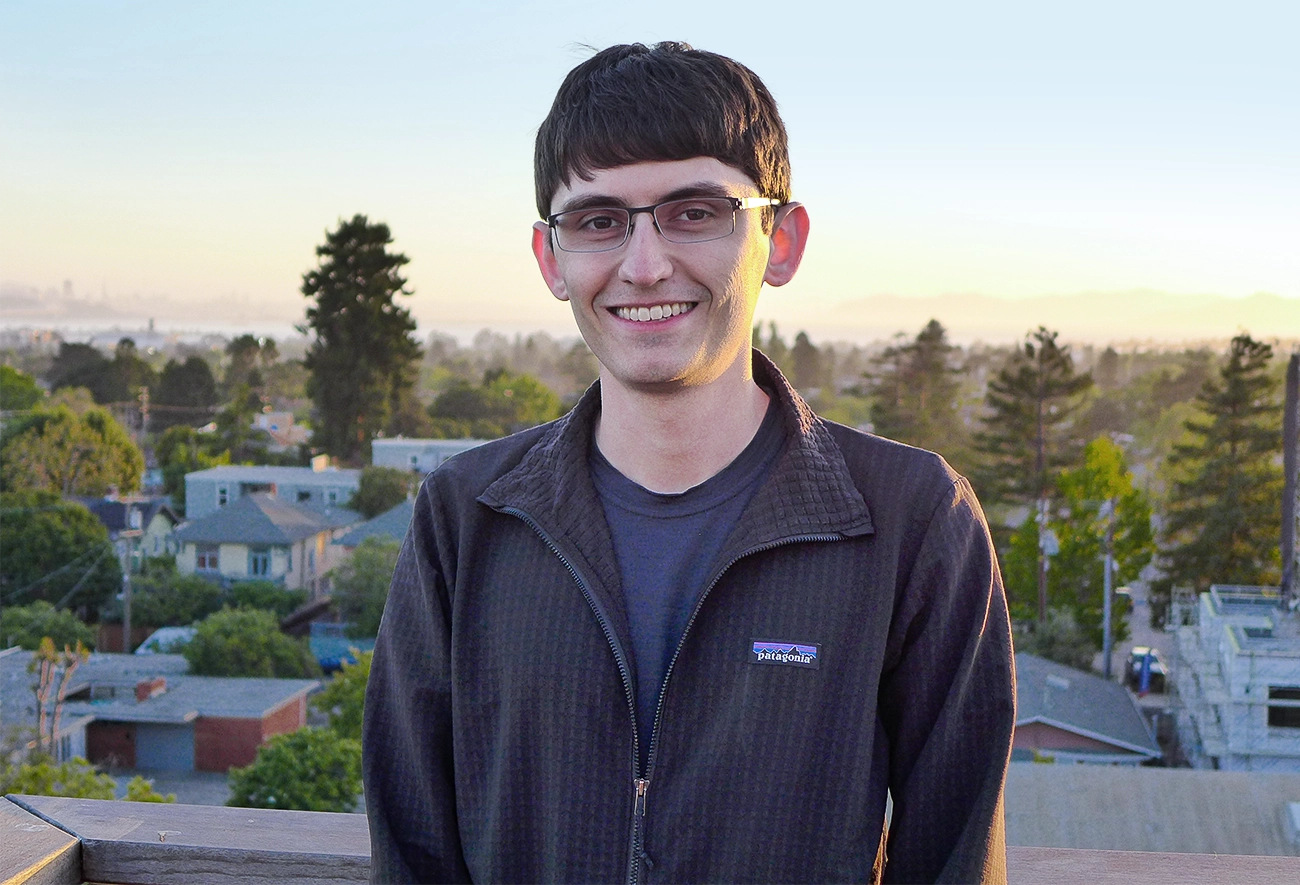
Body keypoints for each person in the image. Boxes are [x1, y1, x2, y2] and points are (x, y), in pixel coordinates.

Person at [364, 41, 1015, 884]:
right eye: (598, 220)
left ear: (779, 241)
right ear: (550, 259)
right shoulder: (465, 518)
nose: (644, 265)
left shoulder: (914, 521)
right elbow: (414, 853)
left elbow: (954, 862)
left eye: (694, 211)